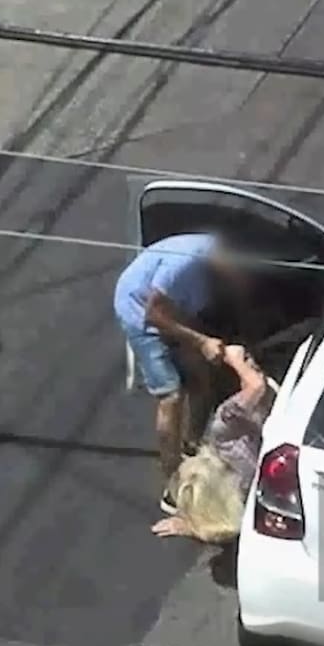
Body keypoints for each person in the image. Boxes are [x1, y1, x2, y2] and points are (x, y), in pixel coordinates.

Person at [113, 231, 240, 506]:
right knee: (171, 395)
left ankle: (192, 447)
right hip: (141, 312)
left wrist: (197, 344)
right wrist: (202, 341)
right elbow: (154, 314)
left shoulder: (214, 271)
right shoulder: (184, 263)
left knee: (201, 378)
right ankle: (173, 484)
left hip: (173, 311)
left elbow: (187, 312)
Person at [152, 344, 272, 542]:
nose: (252, 366)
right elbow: (256, 385)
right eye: (248, 364)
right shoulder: (226, 422)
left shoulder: (242, 482)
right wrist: (235, 359)